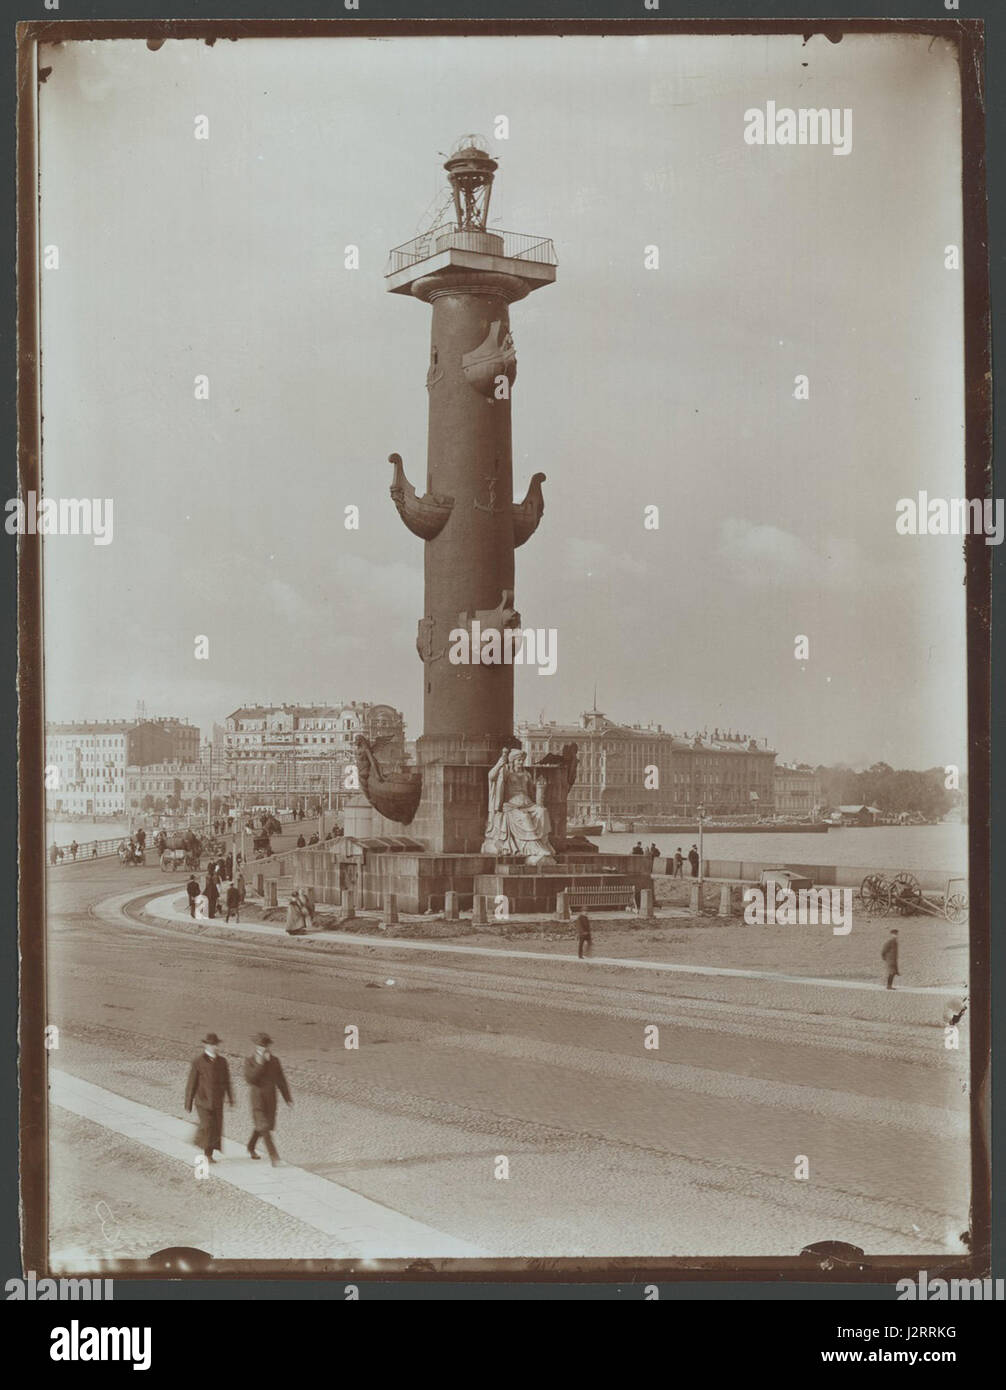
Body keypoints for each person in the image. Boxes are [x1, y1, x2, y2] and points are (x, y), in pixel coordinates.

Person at [184, 1032, 233, 1163]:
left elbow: (227, 1081)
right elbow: (191, 1083)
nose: (214, 1047)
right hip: (202, 1100)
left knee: (215, 1127)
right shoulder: (198, 1062)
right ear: (205, 1045)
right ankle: (207, 1153)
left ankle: (208, 1151)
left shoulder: (223, 1062)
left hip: (217, 1101)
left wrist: (230, 1098)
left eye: (215, 1045)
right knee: (207, 1125)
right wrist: (188, 1102)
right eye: (211, 1045)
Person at [244, 1033, 292, 1166]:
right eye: (260, 1046)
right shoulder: (250, 1061)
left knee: (265, 1126)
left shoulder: (275, 1061)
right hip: (257, 1100)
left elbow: (281, 1080)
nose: (263, 1049)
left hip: (271, 1100)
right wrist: (260, 1064)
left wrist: (287, 1098)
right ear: (256, 1046)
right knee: (264, 1127)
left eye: (265, 1046)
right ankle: (274, 1157)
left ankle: (250, 1146)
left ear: (269, 1046)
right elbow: (250, 1079)